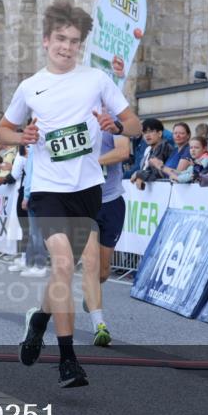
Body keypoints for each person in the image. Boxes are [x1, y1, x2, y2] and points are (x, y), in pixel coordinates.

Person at [0, 1, 141, 389]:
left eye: (74, 41)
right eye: (60, 39)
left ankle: (39, 320)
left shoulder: (96, 80)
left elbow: (135, 124)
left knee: (63, 272)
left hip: (87, 191)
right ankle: (67, 360)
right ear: (46, 41)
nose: (67, 47)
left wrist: (119, 125)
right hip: (47, 191)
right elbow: (0, 134)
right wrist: (20, 136)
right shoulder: (31, 87)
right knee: (63, 265)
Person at [79, 125, 131, 347]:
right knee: (90, 265)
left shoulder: (114, 122)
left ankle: (91, 294)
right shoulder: (74, 122)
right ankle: (99, 324)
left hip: (111, 203)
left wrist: (93, 163)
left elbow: (123, 152)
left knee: (102, 271)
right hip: (83, 203)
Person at [130, 118, 172, 189]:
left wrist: (138, 174)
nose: (147, 135)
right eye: (144, 132)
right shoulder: (149, 149)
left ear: (159, 133)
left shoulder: (164, 146)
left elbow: (156, 173)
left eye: (150, 131)